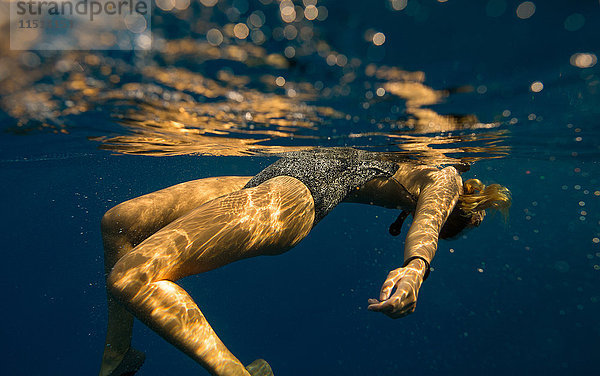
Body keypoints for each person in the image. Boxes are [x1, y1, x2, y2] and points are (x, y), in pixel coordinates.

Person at [98, 147, 511, 376]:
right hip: (267, 181)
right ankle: (118, 356)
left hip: (291, 197)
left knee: (132, 276)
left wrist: (415, 269)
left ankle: (233, 373)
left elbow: (427, 224)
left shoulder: (447, 176)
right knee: (120, 223)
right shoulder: (414, 157)